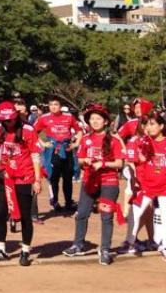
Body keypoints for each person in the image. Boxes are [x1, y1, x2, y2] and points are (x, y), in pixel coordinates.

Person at [63, 104, 125, 265]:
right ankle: (78, 245)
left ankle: (105, 249)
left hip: (108, 183)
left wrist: (103, 164)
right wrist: (87, 161)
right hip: (89, 182)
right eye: (92, 119)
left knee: (106, 217)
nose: (95, 121)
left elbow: (119, 163)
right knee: (82, 213)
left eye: (99, 118)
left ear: (105, 121)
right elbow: (81, 159)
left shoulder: (114, 140)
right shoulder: (85, 138)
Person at [0, 102, 42, 266]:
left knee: (25, 215)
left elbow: (35, 155)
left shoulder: (27, 130)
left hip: (24, 176)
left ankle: (25, 250)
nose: (7, 123)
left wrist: (37, 180)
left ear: (16, 117)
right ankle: (1, 249)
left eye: (9, 120)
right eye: (4, 120)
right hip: (5, 176)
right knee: (0, 213)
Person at [128, 112, 166, 259]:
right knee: (135, 214)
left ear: (161, 126)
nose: (149, 127)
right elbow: (137, 160)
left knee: (165, 216)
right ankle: (130, 243)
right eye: (147, 124)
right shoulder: (143, 142)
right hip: (145, 186)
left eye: (153, 124)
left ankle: (164, 246)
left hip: (164, 187)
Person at [34, 96, 81, 213]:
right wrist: (43, 143)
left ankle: (68, 203)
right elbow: (33, 131)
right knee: (53, 178)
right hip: (52, 151)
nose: (53, 107)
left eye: (56, 104)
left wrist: (76, 144)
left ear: (60, 106)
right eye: (51, 105)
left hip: (67, 150)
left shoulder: (69, 117)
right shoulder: (44, 118)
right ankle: (54, 202)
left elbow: (79, 130)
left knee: (68, 178)